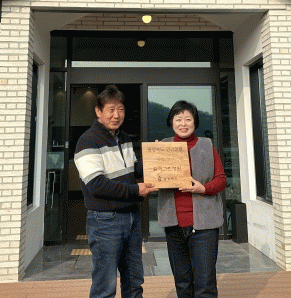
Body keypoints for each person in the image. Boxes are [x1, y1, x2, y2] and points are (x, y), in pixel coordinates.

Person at [74, 85, 157, 298]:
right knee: (105, 285)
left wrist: (157, 157)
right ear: (98, 111)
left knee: (134, 281)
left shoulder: (124, 137)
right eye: (110, 109)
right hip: (105, 221)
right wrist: (135, 190)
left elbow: (133, 170)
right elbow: (96, 185)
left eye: (120, 109)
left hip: (132, 218)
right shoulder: (88, 140)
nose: (116, 115)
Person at [158, 100, 227, 298]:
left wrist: (203, 188)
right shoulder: (163, 147)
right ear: (171, 122)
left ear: (195, 122)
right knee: (182, 283)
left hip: (204, 226)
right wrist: (155, 160)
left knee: (205, 283)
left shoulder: (206, 145)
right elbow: (153, 179)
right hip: (174, 226)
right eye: (178, 119)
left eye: (188, 119)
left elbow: (221, 180)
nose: (183, 123)